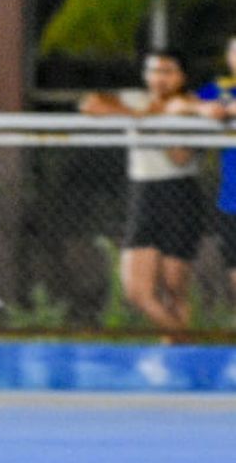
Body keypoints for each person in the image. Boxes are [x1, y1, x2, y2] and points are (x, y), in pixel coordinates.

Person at [79, 50, 203, 337]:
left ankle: (176, 358)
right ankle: (194, 345)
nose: (159, 78)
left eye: (167, 71)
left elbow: (181, 157)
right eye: (153, 71)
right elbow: (90, 103)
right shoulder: (137, 99)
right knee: (137, 291)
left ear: (182, 76)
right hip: (143, 193)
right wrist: (140, 116)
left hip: (179, 194)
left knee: (174, 289)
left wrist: (154, 125)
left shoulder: (190, 104)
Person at [185, 34, 236, 308]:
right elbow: (184, 103)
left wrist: (230, 111)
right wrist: (205, 109)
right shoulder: (221, 89)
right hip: (233, 201)